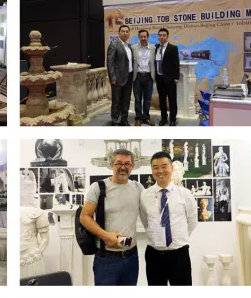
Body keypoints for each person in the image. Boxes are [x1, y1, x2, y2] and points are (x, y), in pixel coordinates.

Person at [80, 148, 144, 285]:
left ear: (132, 166)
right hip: (106, 259)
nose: (123, 167)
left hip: (131, 257)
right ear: (111, 165)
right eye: (118, 163)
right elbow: (84, 217)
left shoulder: (138, 188)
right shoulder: (98, 187)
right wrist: (105, 235)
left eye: (127, 164)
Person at [139, 151, 197, 285]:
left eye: (164, 166)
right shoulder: (145, 195)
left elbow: (192, 220)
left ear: (171, 168)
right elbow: (145, 220)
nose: (160, 171)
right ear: (152, 170)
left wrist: (178, 238)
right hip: (154, 255)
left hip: (179, 254)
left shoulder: (185, 194)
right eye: (155, 167)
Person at [106, 25, 134, 127]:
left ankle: (124, 119)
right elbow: (110, 63)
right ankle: (115, 120)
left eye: (127, 31)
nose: (125, 33)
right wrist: (112, 77)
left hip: (129, 77)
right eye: (123, 31)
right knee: (116, 101)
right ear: (119, 33)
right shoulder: (114, 45)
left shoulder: (129, 46)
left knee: (126, 100)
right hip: (117, 78)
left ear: (129, 33)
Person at [155, 28, 181, 126]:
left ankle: (173, 119)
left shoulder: (173, 48)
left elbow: (176, 63)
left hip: (170, 79)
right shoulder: (156, 47)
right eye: (160, 35)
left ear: (167, 36)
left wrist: (176, 77)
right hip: (159, 78)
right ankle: (164, 118)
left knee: (172, 100)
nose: (161, 37)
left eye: (163, 35)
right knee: (162, 100)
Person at [132, 30, 156, 126]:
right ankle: (138, 118)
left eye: (144, 36)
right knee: (137, 99)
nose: (143, 38)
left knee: (147, 99)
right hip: (137, 76)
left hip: (149, 77)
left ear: (147, 37)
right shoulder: (133, 48)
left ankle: (146, 118)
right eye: (141, 37)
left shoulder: (153, 48)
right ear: (139, 37)